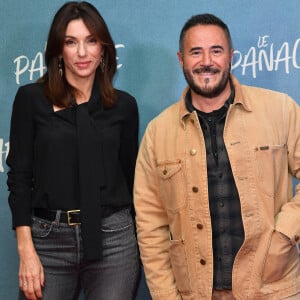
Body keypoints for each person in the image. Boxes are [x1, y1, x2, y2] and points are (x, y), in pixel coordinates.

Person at [134, 13, 300, 300]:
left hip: (273, 289)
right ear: (180, 59)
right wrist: (165, 295)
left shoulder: (280, 110)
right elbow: (151, 225)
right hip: (196, 293)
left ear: (231, 56)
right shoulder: (158, 132)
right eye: (195, 52)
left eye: (216, 50)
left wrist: (284, 234)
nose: (206, 61)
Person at [7, 2, 139, 300]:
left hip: (113, 240)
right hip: (48, 243)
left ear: (103, 49)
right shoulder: (30, 100)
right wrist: (26, 251)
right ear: (58, 51)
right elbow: (19, 178)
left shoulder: (124, 106)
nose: (82, 53)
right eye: (71, 42)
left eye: (91, 41)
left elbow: (133, 181)